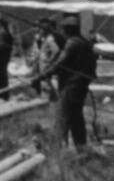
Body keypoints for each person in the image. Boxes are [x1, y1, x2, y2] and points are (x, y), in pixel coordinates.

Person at [42, 15, 98, 149]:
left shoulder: (72, 43)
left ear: (68, 30)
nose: (62, 33)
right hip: (81, 85)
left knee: (62, 116)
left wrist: (43, 75)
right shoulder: (84, 42)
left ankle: (56, 148)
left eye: (63, 30)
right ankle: (81, 146)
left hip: (71, 85)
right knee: (76, 117)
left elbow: (60, 63)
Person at [30, 17, 63, 98]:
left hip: (45, 65)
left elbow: (56, 50)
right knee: (45, 84)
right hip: (43, 65)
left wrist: (49, 60)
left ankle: (51, 99)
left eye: (41, 29)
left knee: (47, 84)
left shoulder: (49, 39)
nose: (39, 30)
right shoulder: (44, 38)